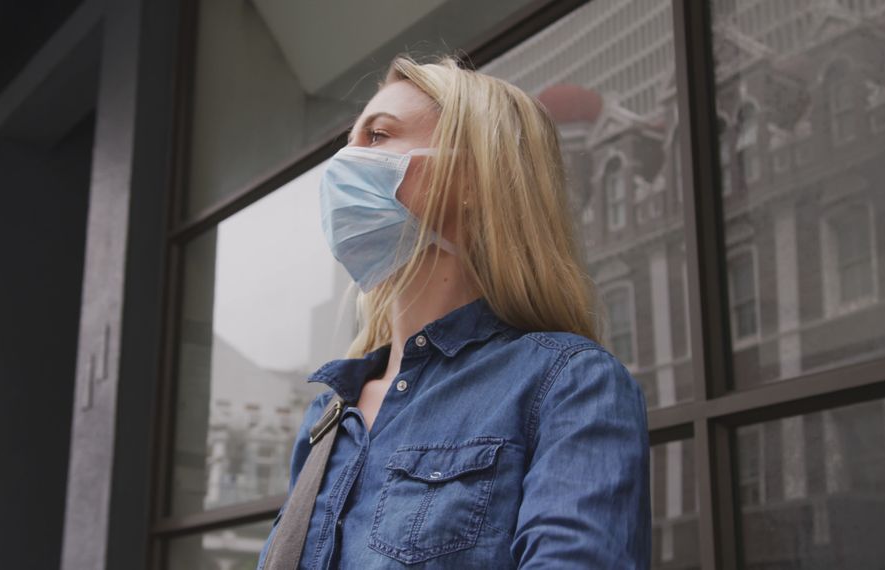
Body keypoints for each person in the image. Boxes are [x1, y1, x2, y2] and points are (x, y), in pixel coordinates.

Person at [257, 54, 650, 569]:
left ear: (470, 179)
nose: (343, 165)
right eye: (348, 143)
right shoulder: (328, 414)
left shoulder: (568, 384)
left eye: (376, 137)